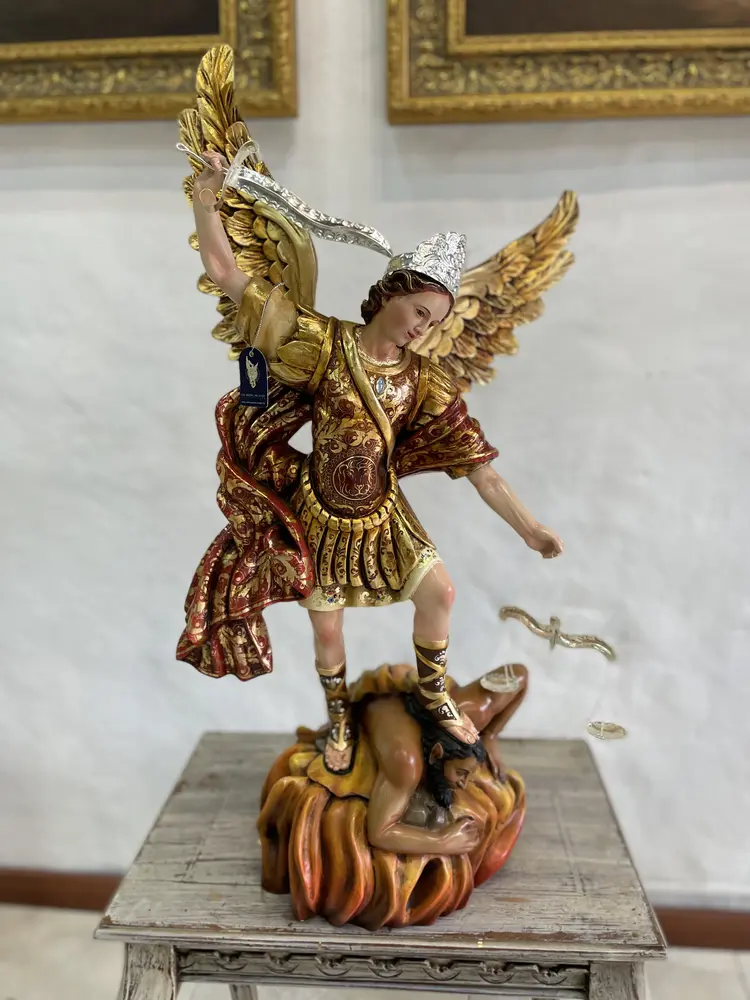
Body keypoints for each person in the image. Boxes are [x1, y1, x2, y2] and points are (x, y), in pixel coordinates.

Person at [177, 144, 564, 776]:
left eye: (433, 322)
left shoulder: (424, 380)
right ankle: (338, 719)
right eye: (419, 312)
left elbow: (479, 467)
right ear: (390, 295)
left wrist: (530, 528)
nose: (421, 329)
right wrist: (205, 201)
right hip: (320, 516)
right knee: (328, 631)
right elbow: (226, 273)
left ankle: (435, 694)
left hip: (384, 515)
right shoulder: (321, 344)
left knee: (439, 591)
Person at [362, 664, 529, 856]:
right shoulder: (407, 761)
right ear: (436, 754)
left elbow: (520, 674)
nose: (464, 784)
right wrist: (441, 841)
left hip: (426, 694)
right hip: (384, 701)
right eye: (460, 773)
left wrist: (490, 734)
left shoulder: (475, 712)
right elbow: (379, 833)